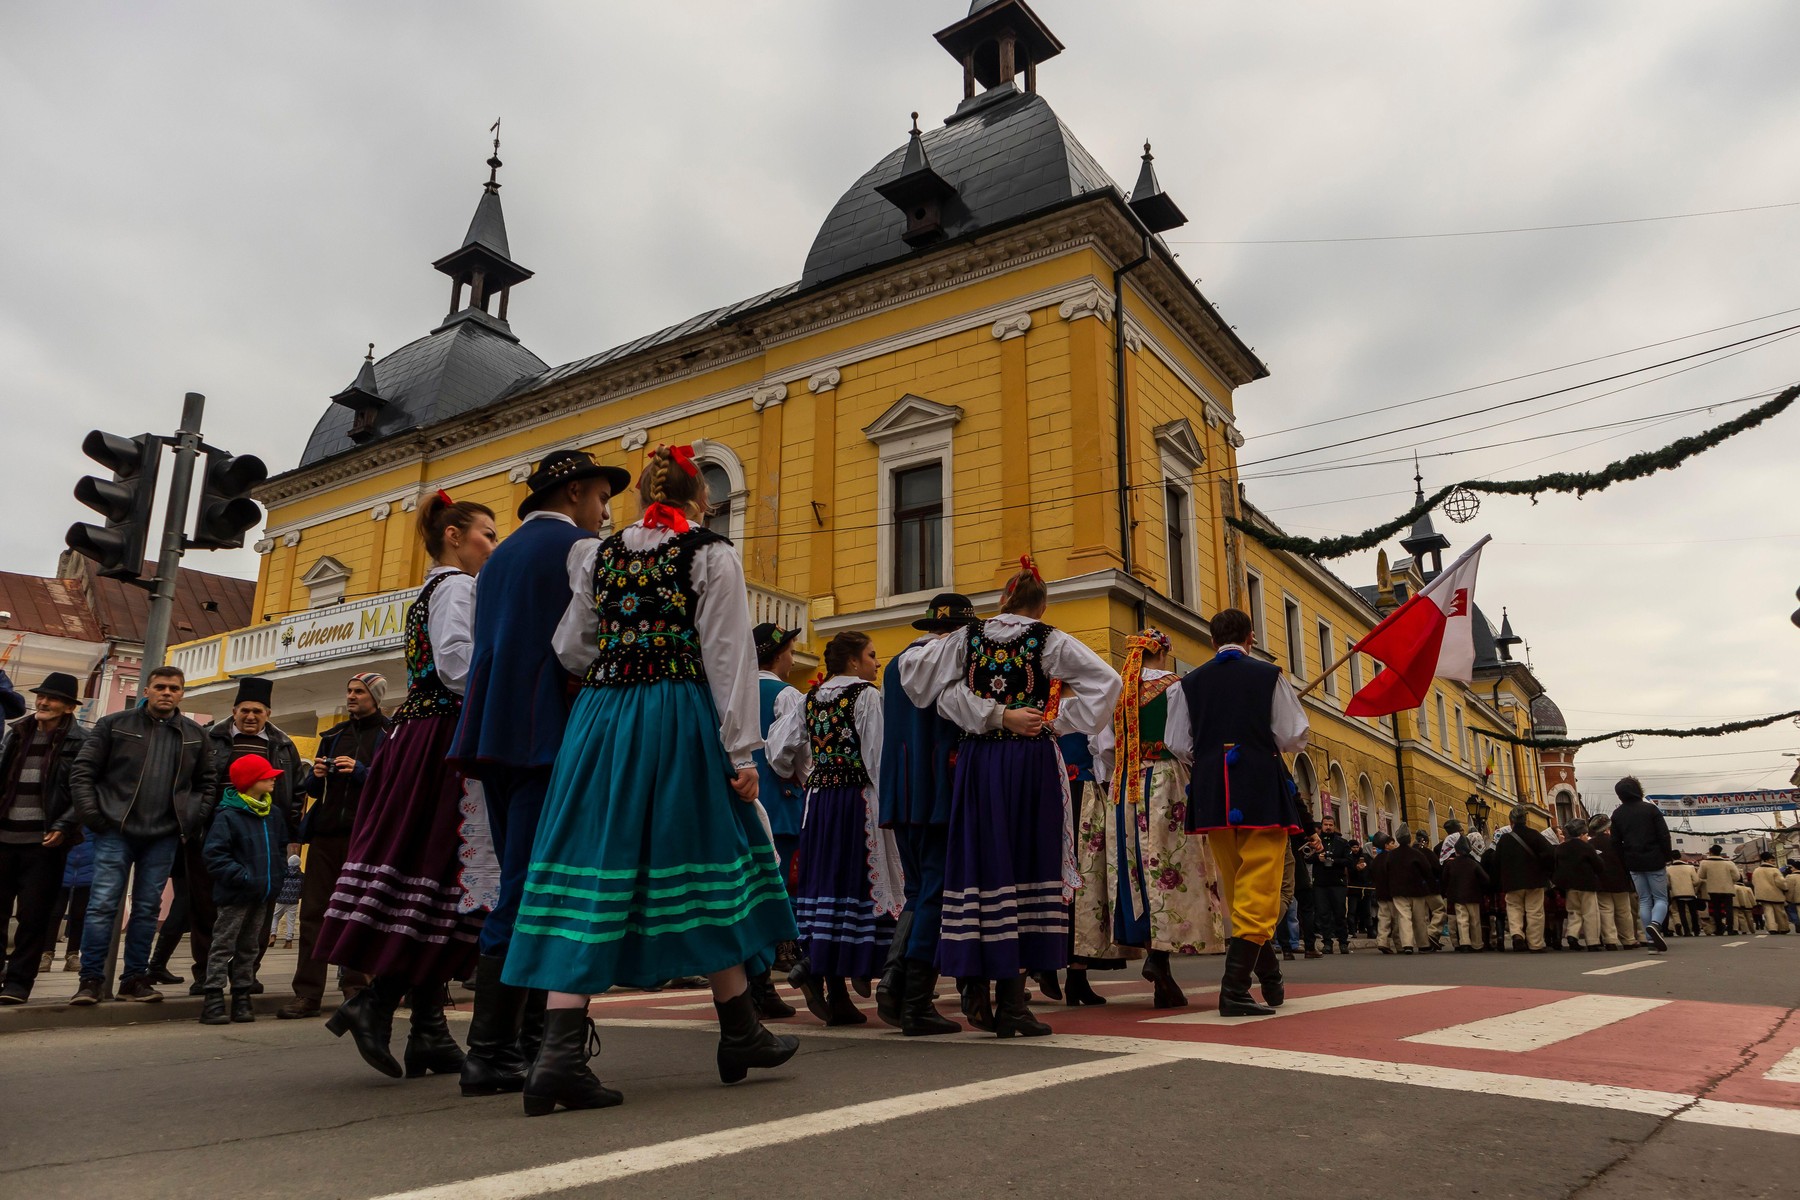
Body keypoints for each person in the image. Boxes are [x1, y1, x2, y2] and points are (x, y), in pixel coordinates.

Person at [502, 444, 799, 1115]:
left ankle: (574, 1052)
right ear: (702, 499)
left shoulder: (595, 554)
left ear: (639, 499)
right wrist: (742, 752)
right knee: (706, 857)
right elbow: (728, 656)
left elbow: (571, 647)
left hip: (601, 718)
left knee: (590, 862)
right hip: (674, 715)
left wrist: (622, 655)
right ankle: (731, 1030)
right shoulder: (710, 554)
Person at [451, 448, 625, 1098]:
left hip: (494, 731)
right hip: (546, 731)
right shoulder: (580, 548)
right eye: (601, 497)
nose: (605, 512)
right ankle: (493, 1051)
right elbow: (585, 644)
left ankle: (517, 1043)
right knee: (533, 886)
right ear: (574, 492)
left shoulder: (498, 560)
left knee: (519, 878)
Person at [317, 494, 497, 1080]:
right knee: (444, 865)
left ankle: (428, 1029)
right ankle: (379, 1004)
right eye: (487, 534)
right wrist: (507, 695)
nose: (492, 546)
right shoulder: (459, 587)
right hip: (444, 733)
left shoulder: (434, 590)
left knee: (439, 875)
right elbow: (456, 665)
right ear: (453, 536)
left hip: (424, 733)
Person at [902, 557, 1122, 1036]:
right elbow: (1109, 682)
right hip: (1028, 762)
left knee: (983, 866)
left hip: (979, 762)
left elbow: (918, 679)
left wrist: (991, 715)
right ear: (1041, 606)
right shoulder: (1050, 639)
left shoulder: (966, 637)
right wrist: (1055, 722)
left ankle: (983, 990)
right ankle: (1012, 1002)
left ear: (1004, 600)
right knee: (1026, 864)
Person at [1167, 607, 1308, 1016]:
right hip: (1259, 784)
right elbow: (1293, 736)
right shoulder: (1270, 676)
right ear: (1250, 637)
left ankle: (1270, 974)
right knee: (1260, 888)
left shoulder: (1187, 683)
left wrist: (1211, 755)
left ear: (1212, 641)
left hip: (1212, 788)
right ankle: (1234, 989)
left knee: (1235, 886)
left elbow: (1177, 743)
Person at [770, 631, 901, 1026]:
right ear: (853, 661)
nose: (876, 663)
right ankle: (830, 973)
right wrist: (889, 806)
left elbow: (778, 752)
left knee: (825, 884)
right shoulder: (866, 696)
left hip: (820, 803)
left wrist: (804, 775)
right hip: (856, 801)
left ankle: (833, 989)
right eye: (871, 655)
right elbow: (876, 757)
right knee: (856, 886)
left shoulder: (810, 698)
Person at [1089, 628, 1220, 1008]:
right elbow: (1181, 742)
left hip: (1123, 787)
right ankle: (1159, 960)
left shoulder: (1116, 691)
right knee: (1170, 865)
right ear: (1161, 652)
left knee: (1134, 870)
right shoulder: (1174, 687)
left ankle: (1156, 961)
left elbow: (1102, 747)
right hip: (1164, 781)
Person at [68, 665, 216, 1003]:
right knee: (102, 905)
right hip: (114, 830)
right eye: (160, 687)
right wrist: (94, 816)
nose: (167, 693)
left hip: (163, 835)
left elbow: (207, 783)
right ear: (146, 690)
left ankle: (134, 979)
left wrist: (190, 820)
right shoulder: (114, 724)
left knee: (148, 909)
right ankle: (90, 980)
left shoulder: (195, 734)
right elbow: (83, 771)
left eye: (174, 688)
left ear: (182, 694)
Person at [874, 592, 978, 1036]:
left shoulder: (895, 664)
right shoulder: (950, 662)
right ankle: (915, 1001)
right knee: (935, 891)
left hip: (901, 788)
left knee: (918, 890)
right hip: (937, 786)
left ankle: (894, 983)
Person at [279, 673, 392, 1019]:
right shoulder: (333, 736)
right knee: (313, 913)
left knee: (359, 913)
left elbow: (393, 784)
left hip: (365, 838)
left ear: (375, 697)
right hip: (325, 835)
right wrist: (316, 776)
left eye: (359, 691)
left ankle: (356, 990)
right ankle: (307, 994)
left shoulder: (390, 735)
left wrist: (361, 771)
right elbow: (313, 791)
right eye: (349, 690)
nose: (352, 696)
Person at [191, 677, 306, 994]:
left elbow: (295, 792)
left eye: (257, 711)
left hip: (264, 840)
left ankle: (246, 975)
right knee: (209, 910)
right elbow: (195, 782)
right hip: (216, 836)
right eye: (245, 710)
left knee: (260, 912)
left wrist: (289, 837)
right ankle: (206, 975)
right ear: (234, 711)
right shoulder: (211, 738)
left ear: (268, 713)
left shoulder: (283, 745)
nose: (251, 716)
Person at [0, 673, 88, 1004]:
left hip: (45, 843)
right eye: (41, 696)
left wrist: (64, 825)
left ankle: (18, 983)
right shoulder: (18, 732)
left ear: (68, 707)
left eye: (52, 698)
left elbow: (83, 791)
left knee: (33, 917)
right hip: (4, 837)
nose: (43, 702)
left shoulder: (80, 742)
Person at [199, 754, 291, 1024]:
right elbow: (215, 855)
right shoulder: (228, 815)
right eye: (267, 776)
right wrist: (243, 877)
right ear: (250, 781)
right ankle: (213, 997)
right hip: (236, 893)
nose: (273, 779)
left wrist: (278, 875)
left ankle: (241, 995)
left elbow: (280, 848)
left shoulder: (273, 814)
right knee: (223, 944)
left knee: (250, 946)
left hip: (262, 893)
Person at [749, 622, 803, 1017]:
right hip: (778, 802)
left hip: (741, 800)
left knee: (749, 891)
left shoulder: (732, 692)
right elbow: (791, 754)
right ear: (778, 654)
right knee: (776, 888)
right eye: (790, 650)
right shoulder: (787, 695)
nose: (793, 658)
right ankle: (763, 982)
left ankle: (756, 982)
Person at [1494, 806, 1555, 952]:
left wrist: (1500, 881)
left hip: (1512, 882)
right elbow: (1550, 854)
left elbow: (1497, 862)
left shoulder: (1505, 839)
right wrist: (1545, 871)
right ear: (1525, 820)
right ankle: (1535, 943)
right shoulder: (1535, 835)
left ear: (1511, 822)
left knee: (1514, 908)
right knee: (1534, 911)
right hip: (1534, 880)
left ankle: (1517, 934)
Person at [1584, 813, 1640, 950]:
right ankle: (1628, 940)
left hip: (1601, 882)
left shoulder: (1590, 844)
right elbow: (1627, 861)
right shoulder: (1618, 843)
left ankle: (1610, 940)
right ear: (1608, 828)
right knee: (1624, 911)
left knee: (1605, 910)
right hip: (1620, 881)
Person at [1386, 825, 1440, 953]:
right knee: (1419, 918)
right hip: (1417, 890)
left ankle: (1407, 945)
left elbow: (1387, 871)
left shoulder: (1391, 855)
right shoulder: (1417, 854)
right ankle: (1423, 944)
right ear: (1410, 838)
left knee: (1404, 917)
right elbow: (1427, 871)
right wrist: (1430, 886)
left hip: (1398, 890)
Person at [1553, 819, 1604, 950]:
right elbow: (1599, 865)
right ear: (1581, 834)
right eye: (1586, 834)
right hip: (1587, 884)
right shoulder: (1586, 847)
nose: (1587, 837)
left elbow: (1556, 866)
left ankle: (1572, 935)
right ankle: (1592, 942)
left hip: (1569, 886)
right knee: (1590, 913)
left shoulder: (1561, 848)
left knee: (1574, 912)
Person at [1311, 813, 1354, 955]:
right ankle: (1327, 943)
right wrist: (1318, 858)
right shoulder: (1316, 841)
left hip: (1338, 883)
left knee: (1340, 913)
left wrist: (1334, 860)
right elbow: (1306, 857)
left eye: (1330, 825)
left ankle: (1343, 942)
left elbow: (1349, 861)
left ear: (1334, 826)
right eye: (1325, 825)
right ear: (1322, 826)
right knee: (1323, 914)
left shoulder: (1342, 842)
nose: (1328, 827)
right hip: (1320, 883)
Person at [1440, 837, 1488, 952]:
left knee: (1462, 920)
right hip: (1474, 896)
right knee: (1475, 920)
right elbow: (1486, 879)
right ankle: (1477, 944)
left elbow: (1444, 880)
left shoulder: (1450, 864)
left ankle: (1464, 942)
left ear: (1456, 851)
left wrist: (1446, 892)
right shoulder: (1474, 864)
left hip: (1457, 896)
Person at [1367, 832, 1399, 954]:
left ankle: (1382, 941)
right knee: (1396, 919)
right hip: (1392, 892)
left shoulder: (1376, 860)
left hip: (1380, 892)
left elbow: (1371, 875)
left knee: (1383, 918)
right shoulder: (1392, 858)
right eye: (1392, 843)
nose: (1394, 845)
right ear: (1386, 845)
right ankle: (1399, 944)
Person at [1698, 845, 1739, 935]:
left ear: (1710, 852)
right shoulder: (1729, 863)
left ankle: (1719, 928)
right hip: (1727, 889)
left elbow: (1701, 876)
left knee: (1716, 909)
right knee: (1729, 909)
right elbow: (1736, 877)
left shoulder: (1705, 863)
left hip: (1713, 889)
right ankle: (1730, 928)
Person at [1751, 853, 1791, 933]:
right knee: (1779, 912)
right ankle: (1783, 928)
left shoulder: (1756, 870)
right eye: (1772, 860)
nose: (1773, 862)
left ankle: (1772, 928)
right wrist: (1785, 888)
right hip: (1775, 893)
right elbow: (1780, 882)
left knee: (1768, 912)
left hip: (1762, 894)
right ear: (1766, 860)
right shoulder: (1774, 870)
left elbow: (1754, 882)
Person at [1665, 855, 1700, 936]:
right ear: (1680, 857)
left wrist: (1673, 887)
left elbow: (1667, 884)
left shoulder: (1668, 869)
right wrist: (1690, 885)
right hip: (1690, 892)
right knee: (1693, 912)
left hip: (1677, 893)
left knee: (1682, 913)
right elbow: (1696, 881)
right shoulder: (1690, 867)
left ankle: (1686, 931)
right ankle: (1696, 929)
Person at [272, 855, 302, 948]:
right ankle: (289, 941)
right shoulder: (301, 875)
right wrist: (298, 896)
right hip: (293, 901)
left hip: (281, 899)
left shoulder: (283, 872)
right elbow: (303, 889)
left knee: (275, 917)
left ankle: (273, 935)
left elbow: (277, 884)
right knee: (291, 921)